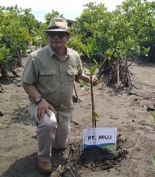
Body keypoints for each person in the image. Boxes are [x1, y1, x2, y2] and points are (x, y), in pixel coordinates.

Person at [21, 17, 97, 174]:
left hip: (65, 109)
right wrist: (40, 100)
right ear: (47, 36)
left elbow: (78, 75)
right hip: (41, 105)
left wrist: (89, 79)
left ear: (67, 38)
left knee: (60, 146)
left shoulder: (75, 56)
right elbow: (27, 83)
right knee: (49, 123)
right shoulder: (36, 57)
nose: (56, 37)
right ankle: (43, 159)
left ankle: (45, 135)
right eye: (52, 33)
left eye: (61, 34)